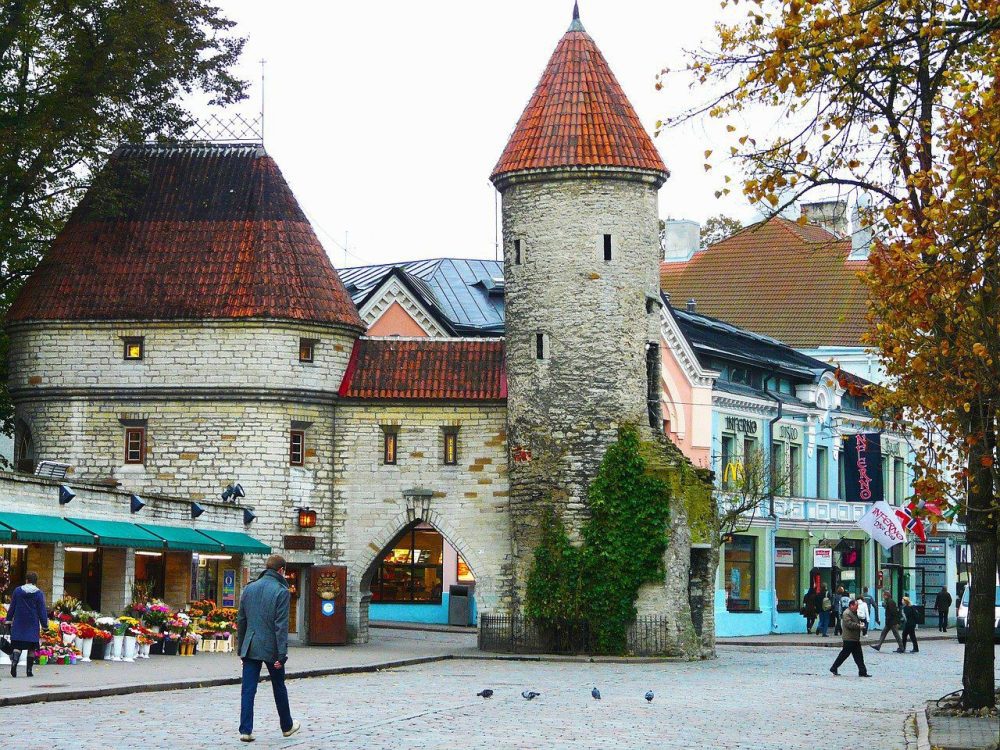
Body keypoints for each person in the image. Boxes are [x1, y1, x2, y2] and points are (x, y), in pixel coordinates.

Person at [237, 554, 301, 742]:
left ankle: (245, 730)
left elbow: (241, 620)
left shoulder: (249, 588)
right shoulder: (281, 591)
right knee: (279, 687)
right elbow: (280, 625)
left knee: (248, 689)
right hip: (272, 648)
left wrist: (241, 649)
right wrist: (282, 654)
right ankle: (287, 726)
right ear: (281, 570)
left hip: (250, 645)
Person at [7, 571, 48, 677]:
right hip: (32, 623)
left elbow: (12, 606)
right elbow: (42, 610)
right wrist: (45, 625)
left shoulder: (17, 591)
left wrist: (8, 619)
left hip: (19, 622)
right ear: (36, 581)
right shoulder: (39, 594)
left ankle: (14, 663)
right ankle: (29, 671)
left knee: (18, 646)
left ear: (26, 580)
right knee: (31, 648)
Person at [830, 599, 870, 677]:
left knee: (858, 656)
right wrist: (859, 626)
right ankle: (834, 667)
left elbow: (855, 621)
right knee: (844, 655)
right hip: (849, 638)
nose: (857, 607)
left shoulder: (853, 613)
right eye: (856, 606)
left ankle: (862, 672)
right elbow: (849, 624)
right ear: (851, 605)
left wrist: (860, 623)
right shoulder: (846, 613)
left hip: (854, 638)